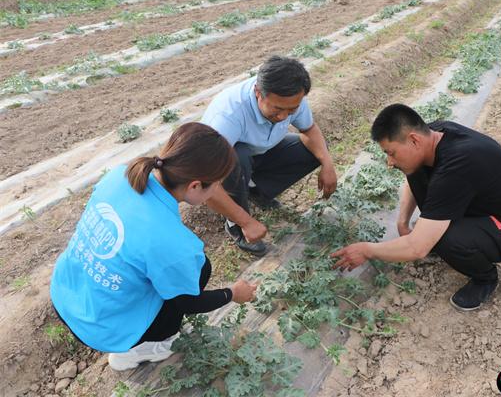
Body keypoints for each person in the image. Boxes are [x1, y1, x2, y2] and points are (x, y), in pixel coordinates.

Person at [50, 123, 257, 371]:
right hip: (102, 329)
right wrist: (232, 293)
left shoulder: (119, 175)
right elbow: (190, 303)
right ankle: (139, 349)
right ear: (194, 185)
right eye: (215, 186)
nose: (216, 192)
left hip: (66, 293)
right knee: (200, 268)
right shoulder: (173, 243)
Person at [331, 104, 501, 311]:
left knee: (445, 237)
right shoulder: (432, 135)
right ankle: (457, 240)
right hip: (477, 210)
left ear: (414, 140)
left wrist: (367, 250)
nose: (389, 162)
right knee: (417, 172)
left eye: (391, 153)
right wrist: (402, 221)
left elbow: (417, 249)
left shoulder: (458, 163)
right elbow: (413, 176)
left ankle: (485, 278)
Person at [201, 55, 338, 256]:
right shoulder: (228, 116)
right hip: (225, 162)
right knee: (237, 155)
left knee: (315, 150)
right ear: (258, 92)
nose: (284, 116)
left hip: (263, 151)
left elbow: (310, 130)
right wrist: (246, 222)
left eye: (291, 110)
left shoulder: (292, 99)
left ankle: (255, 190)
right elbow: (205, 182)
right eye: (278, 109)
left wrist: (328, 165)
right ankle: (235, 224)